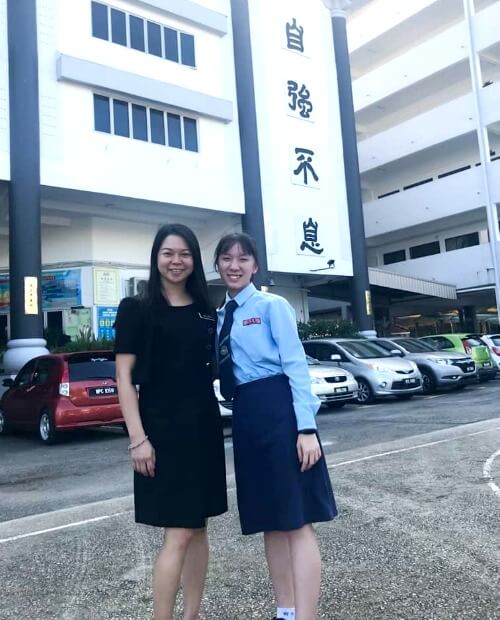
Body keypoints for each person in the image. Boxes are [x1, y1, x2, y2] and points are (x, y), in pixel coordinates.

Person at [214, 232, 337, 620]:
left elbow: (296, 365)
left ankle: (306, 616)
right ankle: (284, 611)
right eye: (227, 258)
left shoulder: (272, 306)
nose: (234, 265)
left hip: (281, 413)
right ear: (217, 265)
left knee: (297, 520)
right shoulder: (219, 317)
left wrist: (305, 428)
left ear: (255, 265)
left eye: (243, 258)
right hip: (247, 417)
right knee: (270, 520)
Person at [115, 223, 227, 620]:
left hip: (204, 426)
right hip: (162, 430)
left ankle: (192, 615)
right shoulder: (137, 309)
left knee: (199, 528)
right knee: (178, 531)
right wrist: (137, 439)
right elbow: (124, 379)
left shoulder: (206, 309)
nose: (176, 261)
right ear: (156, 257)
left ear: (194, 260)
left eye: (184, 254)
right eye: (168, 253)